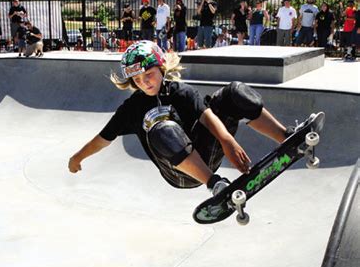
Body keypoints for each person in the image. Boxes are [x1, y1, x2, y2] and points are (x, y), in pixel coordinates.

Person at [68, 41, 303, 207]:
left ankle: (288, 138)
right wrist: (77, 158)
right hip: (179, 172)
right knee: (160, 125)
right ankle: (215, 184)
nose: (144, 83)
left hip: (205, 151)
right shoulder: (132, 108)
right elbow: (102, 139)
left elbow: (207, 116)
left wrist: (227, 140)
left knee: (234, 92)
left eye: (148, 74)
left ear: (161, 67)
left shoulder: (181, 91)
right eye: (137, 80)